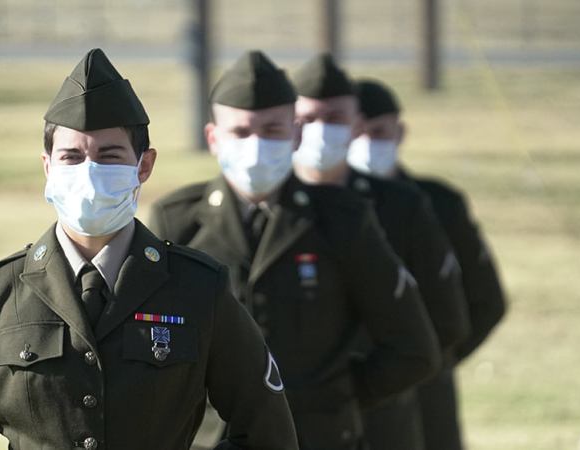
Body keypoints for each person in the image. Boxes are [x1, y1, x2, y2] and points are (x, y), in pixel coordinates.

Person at [0, 48, 300, 450]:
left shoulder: (199, 288)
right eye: (72, 156)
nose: (89, 172)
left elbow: (266, 431)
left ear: (144, 166)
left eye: (109, 155)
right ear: (48, 167)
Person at [149, 50, 440, 450]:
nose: (256, 145)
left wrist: (334, 400)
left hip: (317, 436)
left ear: (297, 133)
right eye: (241, 131)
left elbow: (412, 349)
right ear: (214, 138)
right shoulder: (178, 222)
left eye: (272, 130)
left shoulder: (342, 220)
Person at [289, 53, 472, 450]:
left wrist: (367, 387)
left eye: (335, 119)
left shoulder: (401, 206)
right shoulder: (271, 206)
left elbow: (446, 318)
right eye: (307, 120)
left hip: (382, 411)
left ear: (356, 125)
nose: (320, 132)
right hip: (287, 414)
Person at [349, 78, 508, 450]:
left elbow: (485, 300)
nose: (367, 143)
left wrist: (435, 359)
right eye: (356, 132)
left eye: (378, 132)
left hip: (424, 384)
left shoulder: (437, 204)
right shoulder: (318, 210)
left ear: (399, 132)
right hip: (346, 386)